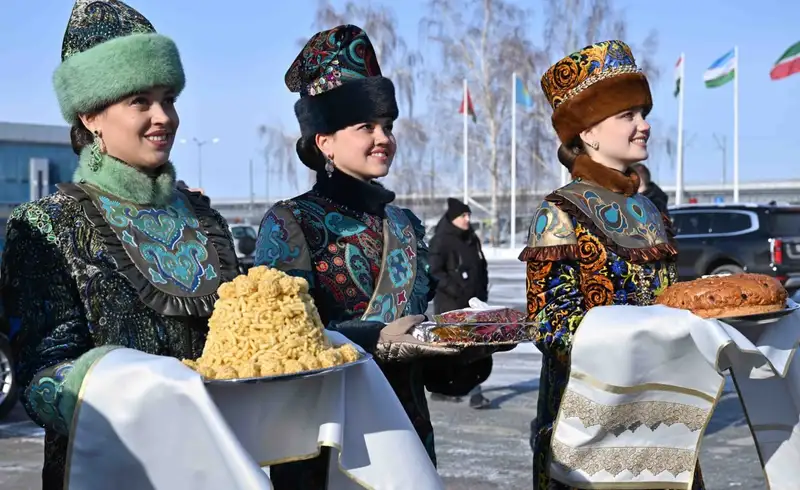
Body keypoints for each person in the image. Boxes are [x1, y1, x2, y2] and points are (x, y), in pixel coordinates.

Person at [0, 1, 239, 488]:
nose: (163, 117)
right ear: (90, 115)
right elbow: (43, 382)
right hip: (111, 471)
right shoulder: (48, 226)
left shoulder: (203, 217)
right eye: (140, 101)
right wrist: (148, 393)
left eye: (168, 98)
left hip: (221, 465)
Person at [254, 25, 492, 489]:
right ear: (324, 140)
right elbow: (279, 349)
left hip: (407, 441)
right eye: (366, 127)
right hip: (324, 450)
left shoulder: (404, 224)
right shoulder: (289, 223)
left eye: (387, 126)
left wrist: (465, 351)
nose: (383, 138)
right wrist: (375, 338)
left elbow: (423, 351)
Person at [521, 40, 703, 489]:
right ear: (588, 132)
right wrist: (638, 342)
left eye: (643, 114)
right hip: (589, 421)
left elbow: (668, 301)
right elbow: (548, 323)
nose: (644, 126)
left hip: (662, 414)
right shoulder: (559, 211)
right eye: (628, 116)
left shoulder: (650, 212)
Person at [428, 198, 491, 409]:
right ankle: (465, 391)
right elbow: (434, 271)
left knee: (473, 348)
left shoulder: (471, 238)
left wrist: (481, 291)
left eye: (469, 215)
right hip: (451, 304)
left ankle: (472, 390)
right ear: (453, 218)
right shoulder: (441, 240)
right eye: (463, 215)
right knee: (457, 348)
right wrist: (456, 290)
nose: (468, 219)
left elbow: (481, 266)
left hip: (473, 302)